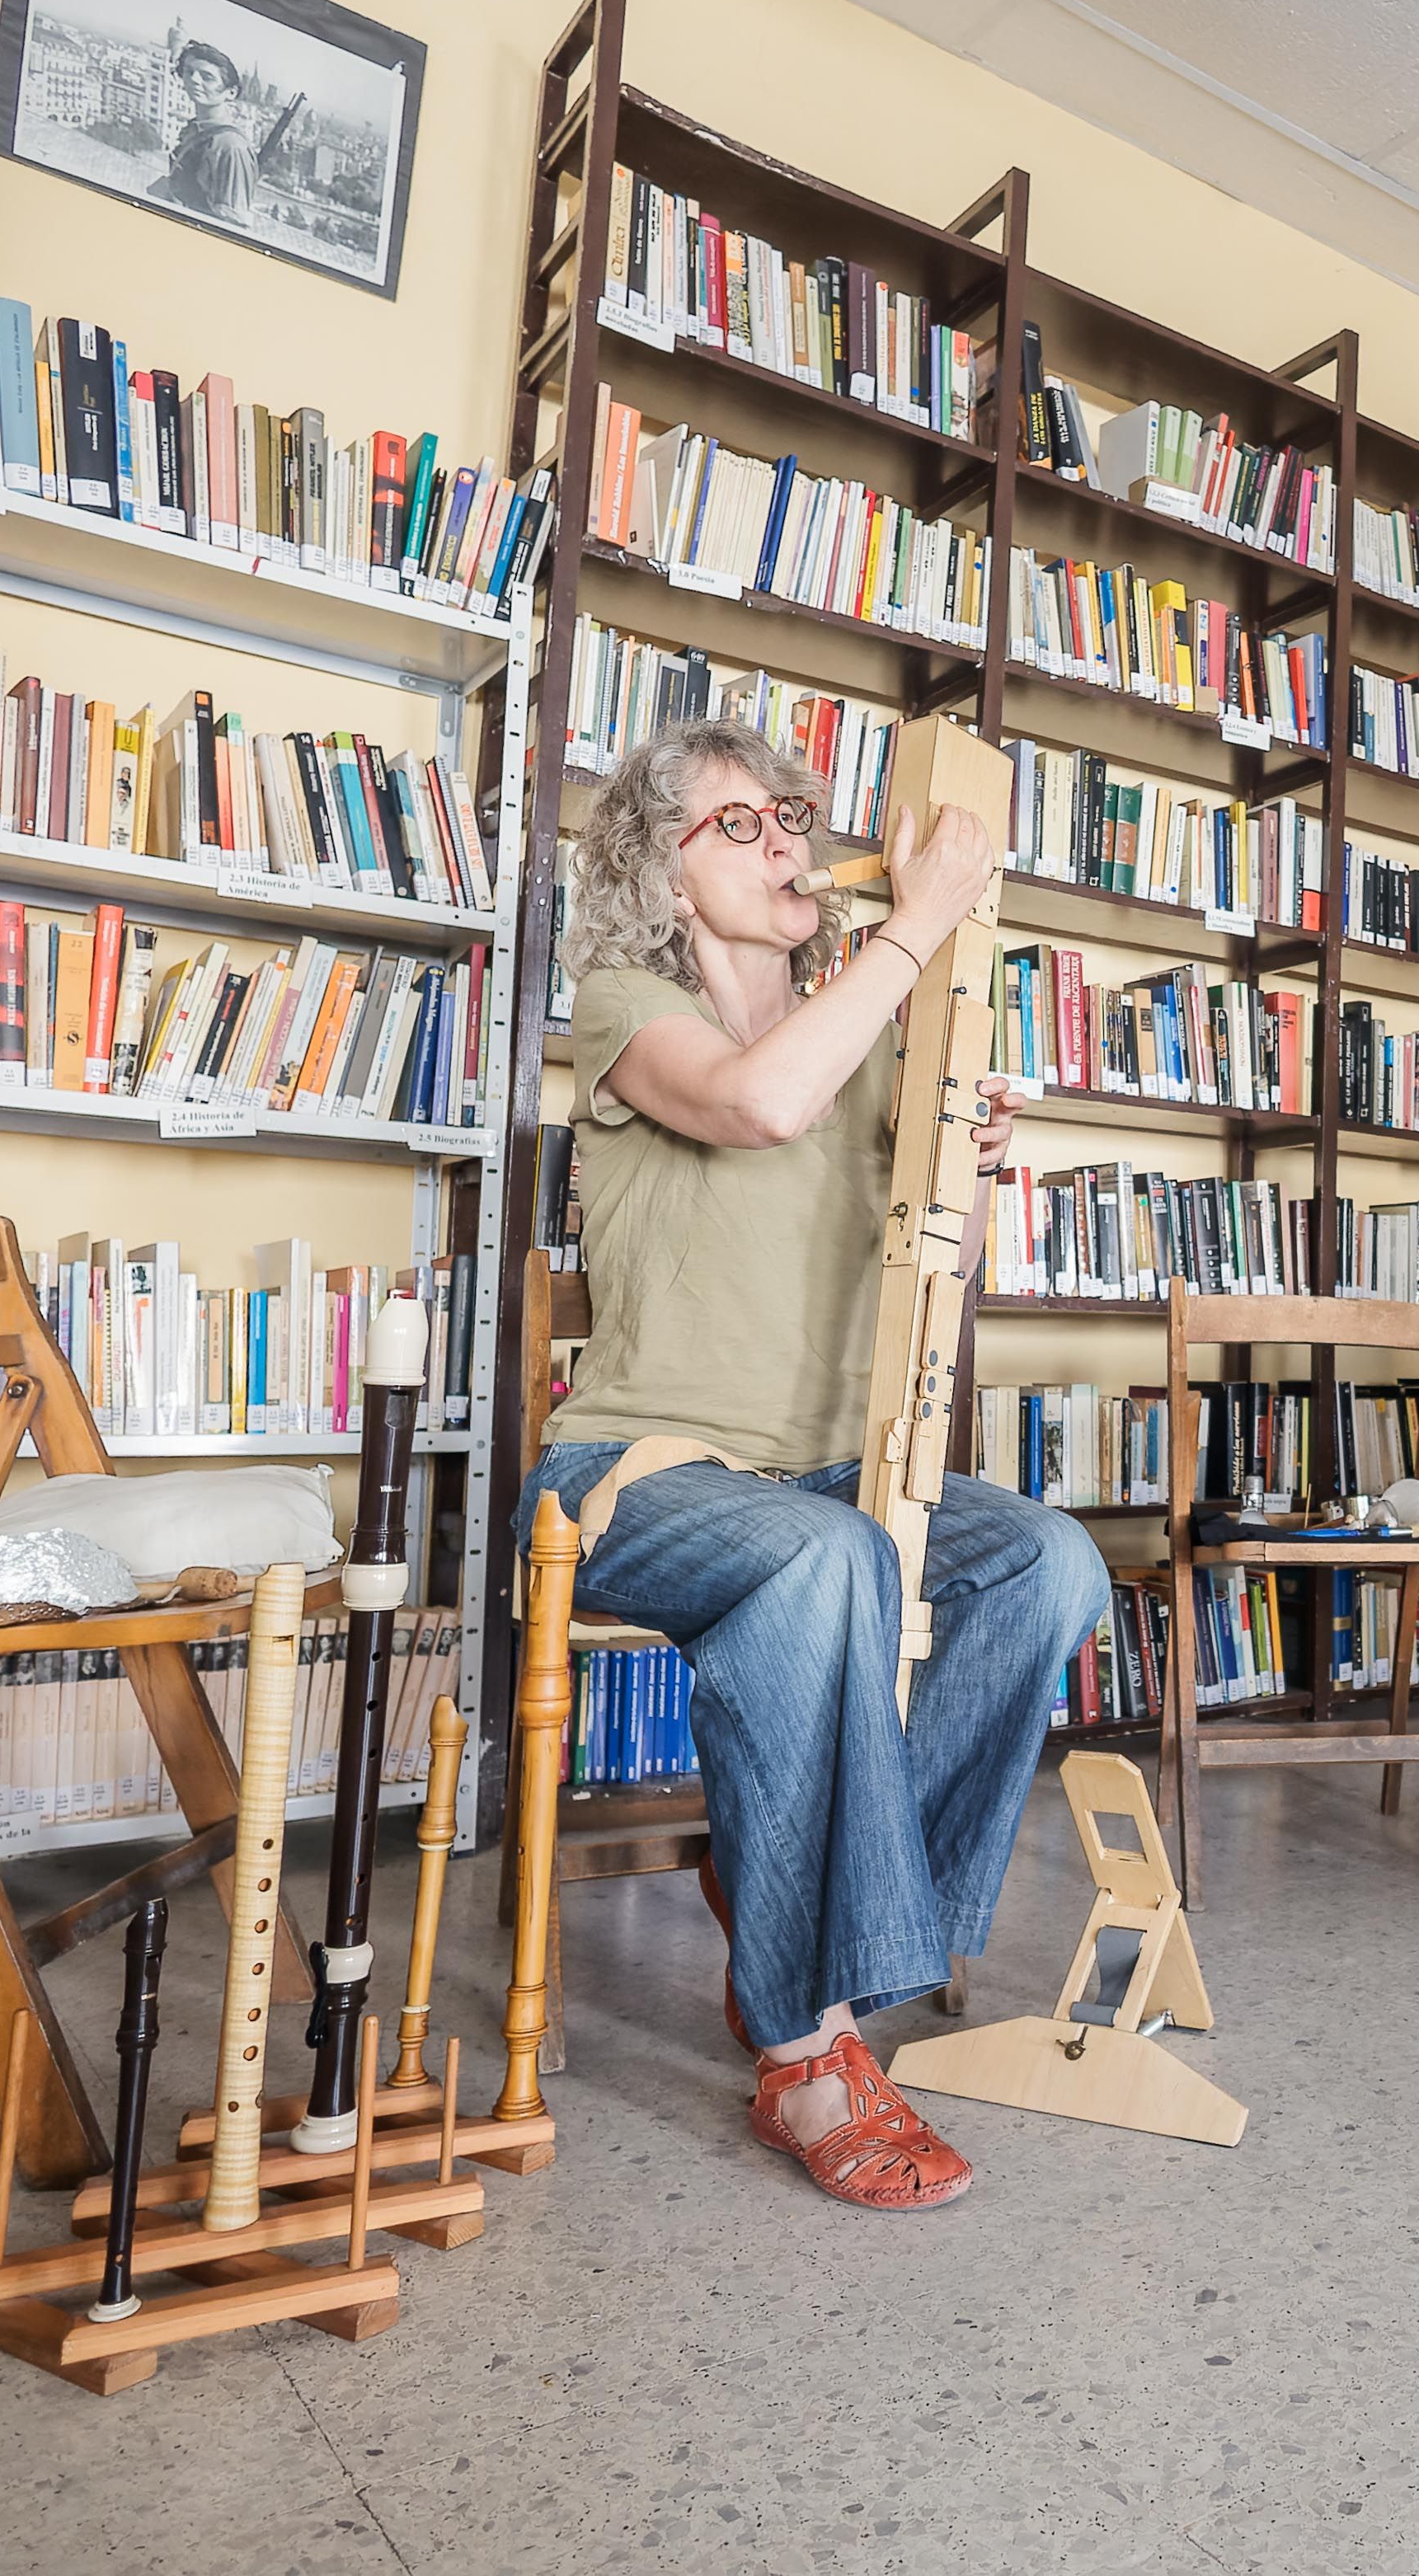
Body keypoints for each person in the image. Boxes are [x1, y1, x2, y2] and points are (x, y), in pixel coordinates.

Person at [524, 717, 1110, 2208]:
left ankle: (804, 1897)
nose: (789, 841)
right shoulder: (624, 1003)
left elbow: (913, 1287)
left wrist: (954, 1180)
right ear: (662, 867)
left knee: (1053, 1561)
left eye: (793, 815)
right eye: (743, 825)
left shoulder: (872, 1046)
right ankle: (802, 2046)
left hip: (825, 1473)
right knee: (824, 1558)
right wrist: (920, 925)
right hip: (635, 1469)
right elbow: (756, 1099)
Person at [159, 40, 259, 223]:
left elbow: (234, 222)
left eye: (207, 77)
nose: (194, 80)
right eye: (189, 72)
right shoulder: (195, 128)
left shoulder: (230, 146)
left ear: (231, 92)